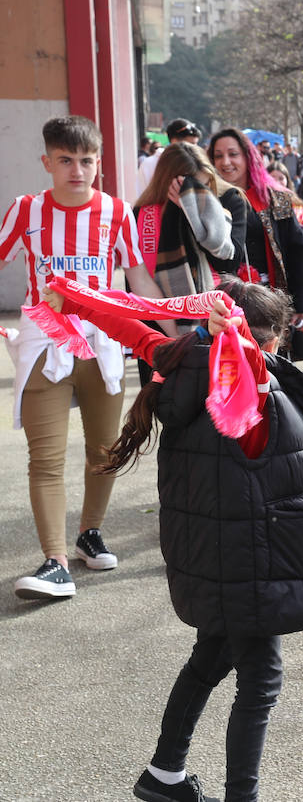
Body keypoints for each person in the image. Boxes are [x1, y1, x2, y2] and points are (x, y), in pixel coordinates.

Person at [49, 277, 303, 802]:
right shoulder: (246, 376)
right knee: (260, 682)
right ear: (266, 340)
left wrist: (75, 299)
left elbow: (129, 326)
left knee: (209, 659)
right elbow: (234, 359)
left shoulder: (175, 358)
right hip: (252, 559)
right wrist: (237, 339)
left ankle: (164, 776)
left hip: (214, 555)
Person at [1, 115, 162, 600]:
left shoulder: (117, 212)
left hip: (103, 343)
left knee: (104, 453)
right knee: (44, 459)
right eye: (66, 160)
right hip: (44, 342)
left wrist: (170, 337)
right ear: (47, 162)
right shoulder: (25, 210)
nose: (77, 170)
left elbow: (139, 279)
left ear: (99, 164)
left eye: (87, 160)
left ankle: (90, 534)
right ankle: (54, 561)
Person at [209, 128, 303, 363]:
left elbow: (297, 252)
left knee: (272, 375)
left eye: (232, 154)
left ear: (248, 157)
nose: (225, 162)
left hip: (270, 305)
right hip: (222, 306)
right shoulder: (205, 201)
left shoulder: (275, 199)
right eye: (218, 156)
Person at [133, 142, 239, 330]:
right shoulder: (141, 214)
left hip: (210, 318)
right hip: (155, 322)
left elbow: (228, 264)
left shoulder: (221, 209)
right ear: (169, 182)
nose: (199, 194)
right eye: (189, 188)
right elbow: (136, 279)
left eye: (204, 185)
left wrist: (193, 217)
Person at [138, 119, 203, 194]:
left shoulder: (197, 164)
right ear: (174, 141)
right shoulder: (150, 164)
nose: (195, 149)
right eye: (191, 144)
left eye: (196, 144)